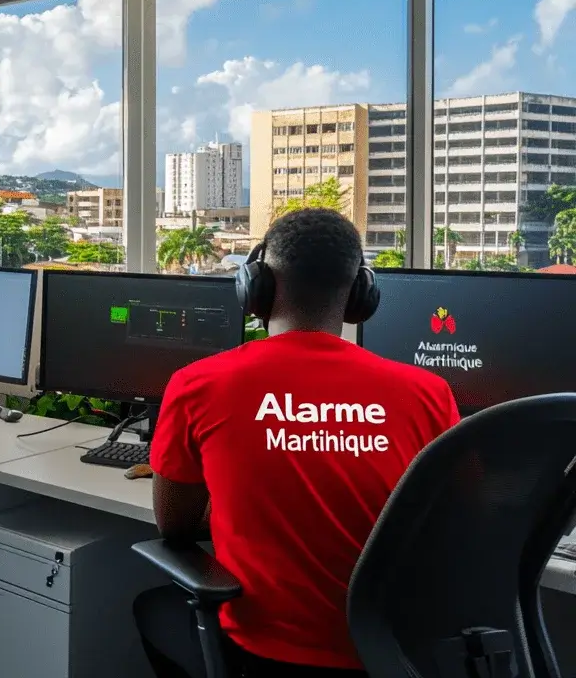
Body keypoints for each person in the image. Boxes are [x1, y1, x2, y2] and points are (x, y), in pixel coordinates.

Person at [136, 208, 461, 678]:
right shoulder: (428, 393)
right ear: (360, 295)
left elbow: (175, 528)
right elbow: (448, 519)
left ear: (255, 288)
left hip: (264, 651)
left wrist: (243, 498)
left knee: (154, 609)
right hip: (390, 649)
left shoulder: (198, 384)